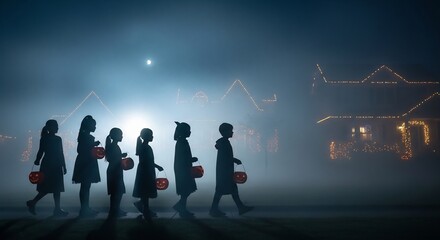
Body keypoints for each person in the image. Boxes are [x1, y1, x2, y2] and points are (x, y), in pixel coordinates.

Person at [209, 123, 253, 217]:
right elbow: (226, 157)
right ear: (225, 132)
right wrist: (235, 160)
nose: (232, 132)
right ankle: (215, 209)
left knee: (228, 190)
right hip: (225, 171)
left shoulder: (223, 142)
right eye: (230, 130)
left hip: (224, 170)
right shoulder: (224, 143)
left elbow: (226, 157)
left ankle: (239, 207)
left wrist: (233, 160)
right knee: (225, 190)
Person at [26, 119, 68, 217]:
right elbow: (60, 153)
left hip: (47, 164)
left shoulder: (44, 138)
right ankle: (56, 209)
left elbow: (41, 151)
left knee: (48, 187)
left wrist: (37, 160)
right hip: (55, 164)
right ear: (50, 127)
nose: (57, 127)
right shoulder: (57, 139)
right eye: (56, 126)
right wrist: (64, 166)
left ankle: (35, 203)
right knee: (55, 188)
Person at [72, 115, 101, 217]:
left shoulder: (84, 135)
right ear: (89, 126)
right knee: (85, 186)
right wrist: (92, 145)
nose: (95, 127)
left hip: (87, 161)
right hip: (86, 162)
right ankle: (84, 209)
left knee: (86, 186)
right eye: (94, 125)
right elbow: (80, 150)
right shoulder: (85, 136)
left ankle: (86, 208)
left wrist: (93, 144)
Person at [133, 128, 164, 219]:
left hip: (145, 170)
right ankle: (146, 210)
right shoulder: (145, 147)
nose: (152, 137)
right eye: (151, 135)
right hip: (145, 171)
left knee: (145, 191)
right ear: (146, 136)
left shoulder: (144, 146)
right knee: (145, 191)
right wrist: (157, 166)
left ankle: (143, 206)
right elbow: (147, 161)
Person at [173, 121, 198, 218]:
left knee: (186, 190)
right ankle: (181, 208)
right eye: (188, 130)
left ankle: (181, 207)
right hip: (183, 169)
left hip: (183, 168)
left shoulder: (182, 141)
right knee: (186, 189)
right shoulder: (182, 142)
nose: (190, 132)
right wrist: (191, 159)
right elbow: (182, 157)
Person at [105, 127, 128, 218]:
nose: (122, 136)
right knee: (116, 192)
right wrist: (120, 156)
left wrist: (121, 156)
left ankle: (115, 209)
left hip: (116, 170)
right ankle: (114, 210)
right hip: (114, 171)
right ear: (116, 136)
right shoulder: (113, 146)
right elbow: (111, 158)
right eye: (121, 135)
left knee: (118, 191)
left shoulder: (113, 145)